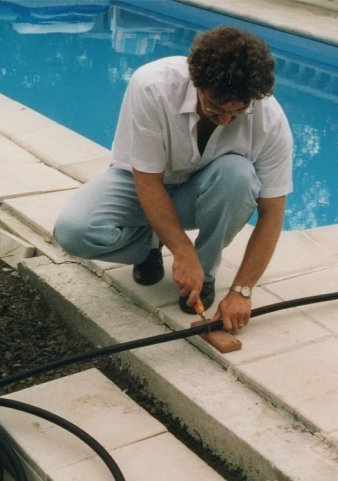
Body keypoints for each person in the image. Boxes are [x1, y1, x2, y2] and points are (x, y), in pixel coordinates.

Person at [53, 25, 293, 333]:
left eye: (236, 112)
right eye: (215, 108)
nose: (224, 120)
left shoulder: (270, 120)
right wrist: (181, 251)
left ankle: (203, 274)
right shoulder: (153, 86)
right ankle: (150, 247)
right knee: (73, 232)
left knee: (239, 175)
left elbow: (273, 212)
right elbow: (148, 181)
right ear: (196, 83)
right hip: (141, 181)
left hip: (204, 188)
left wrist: (242, 291)